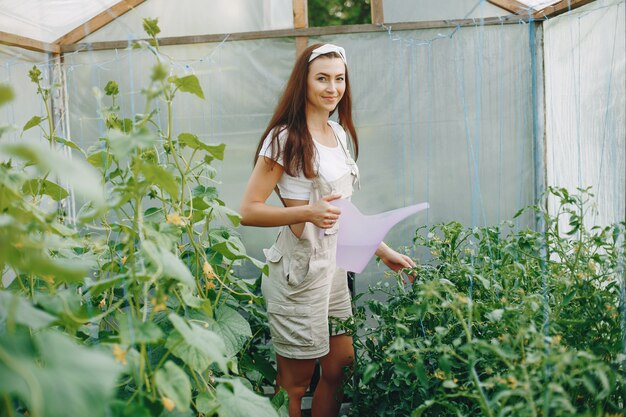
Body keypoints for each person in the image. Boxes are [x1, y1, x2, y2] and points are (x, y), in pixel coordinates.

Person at [239, 43, 416, 417]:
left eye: (339, 79)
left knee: (340, 366)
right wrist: (308, 211)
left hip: (331, 271)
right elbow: (248, 211)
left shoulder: (337, 134)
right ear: (302, 83)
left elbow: (340, 210)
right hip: (298, 273)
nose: (332, 87)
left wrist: (383, 252)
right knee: (296, 382)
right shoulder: (284, 138)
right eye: (322, 78)